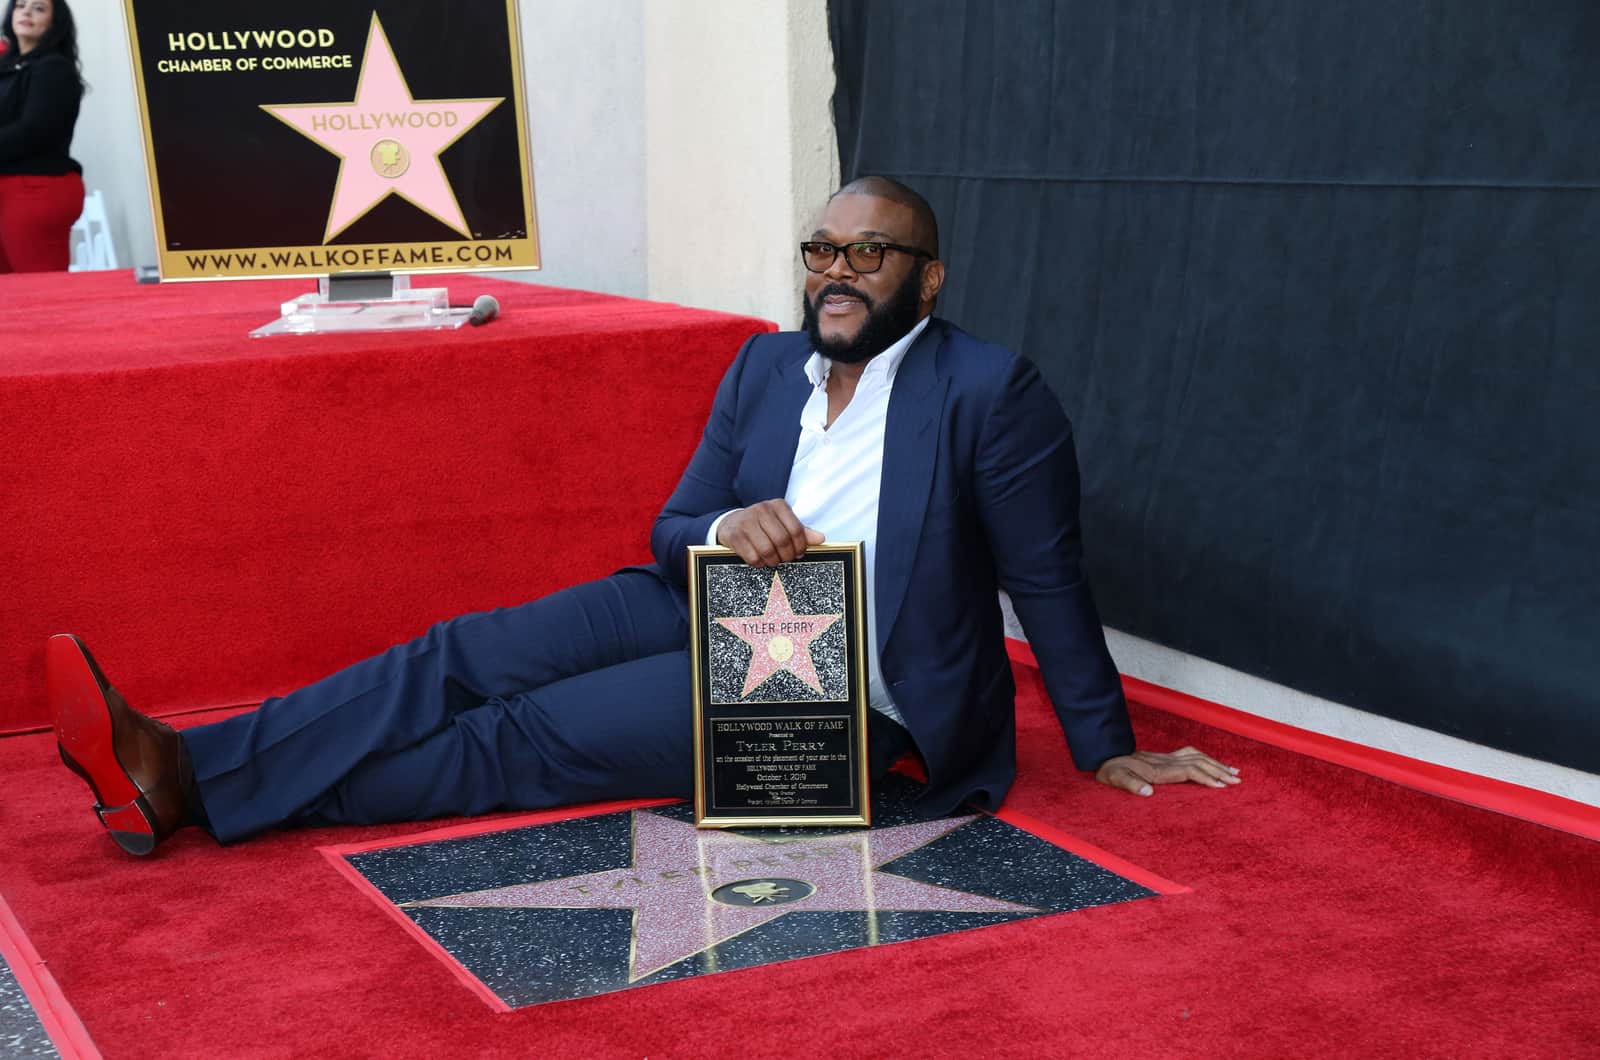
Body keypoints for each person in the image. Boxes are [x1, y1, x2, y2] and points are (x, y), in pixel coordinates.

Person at [48, 177, 1240, 857]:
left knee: (518, 733)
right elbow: (671, 527)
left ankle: (189, 781)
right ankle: (186, 767)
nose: (838, 269)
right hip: (691, 598)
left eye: (872, 254)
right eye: (823, 247)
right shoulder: (762, 368)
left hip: (824, 687)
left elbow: (1047, 574)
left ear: (926, 280)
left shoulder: (989, 389)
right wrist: (728, 534)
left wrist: (1100, 740)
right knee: (457, 654)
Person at [0, 0, 84, 273]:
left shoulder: (53, 69)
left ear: (54, 22)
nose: (25, 12)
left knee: (38, 292)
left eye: (38, 8)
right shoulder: (8, 66)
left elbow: (34, 131)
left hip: (35, 189)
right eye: (20, 6)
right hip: (8, 187)